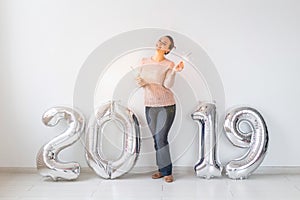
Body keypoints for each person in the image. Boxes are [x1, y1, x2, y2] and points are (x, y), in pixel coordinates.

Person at [135, 35, 184, 183]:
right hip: (149, 105)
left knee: (161, 138)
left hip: (166, 105)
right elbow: (140, 80)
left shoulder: (170, 64)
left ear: (168, 49)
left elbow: (168, 85)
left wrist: (174, 71)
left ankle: (168, 172)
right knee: (156, 140)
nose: (160, 43)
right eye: (160, 41)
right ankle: (161, 170)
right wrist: (141, 82)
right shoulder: (144, 61)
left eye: (165, 43)